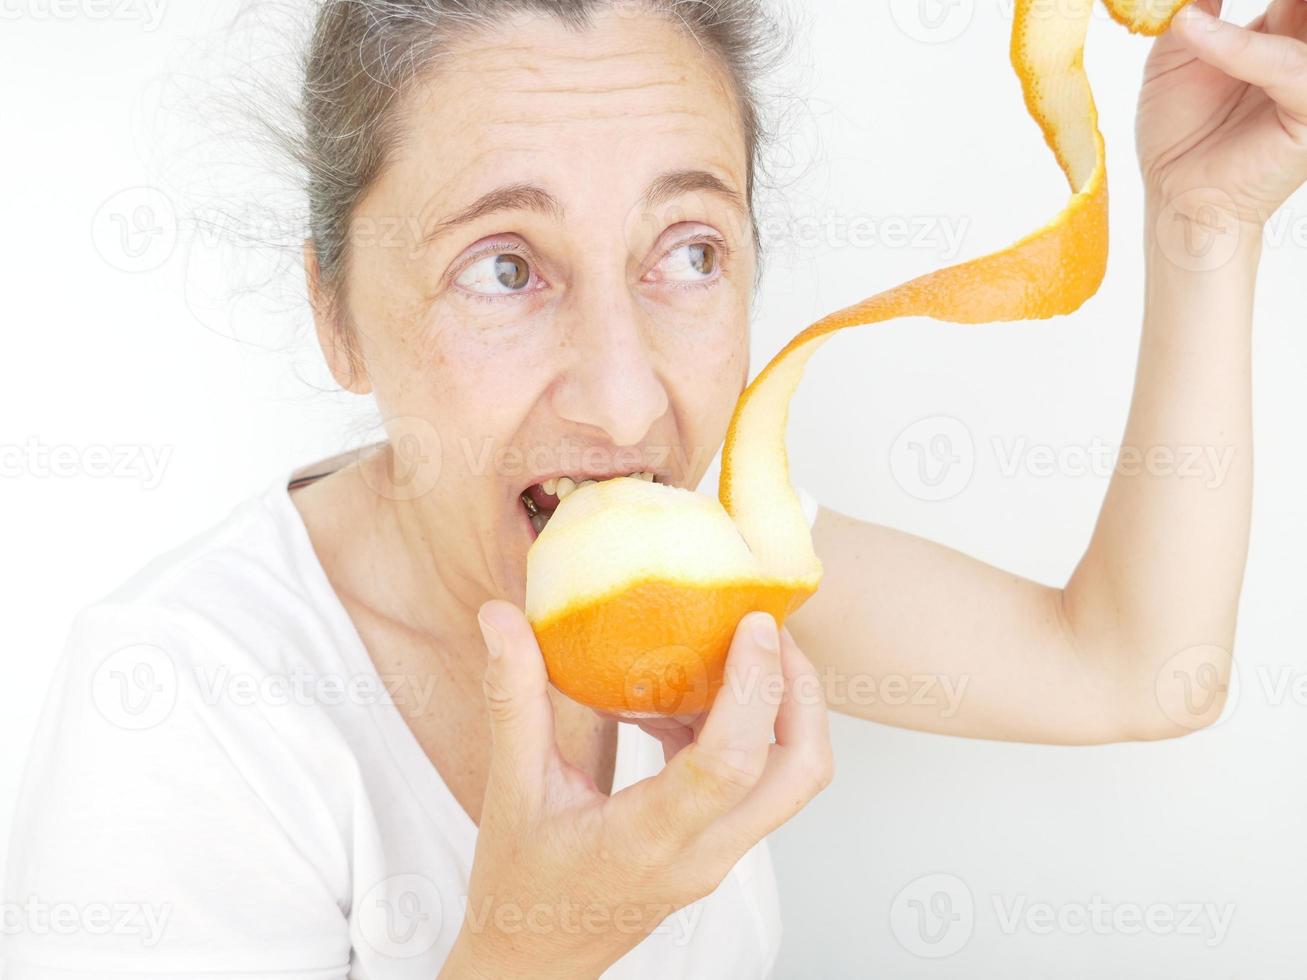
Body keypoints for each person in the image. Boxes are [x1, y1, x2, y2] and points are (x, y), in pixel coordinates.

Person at [6, 0, 1305, 976]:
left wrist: (1206, 225)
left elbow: (1143, 669)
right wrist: (528, 951)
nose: (627, 404)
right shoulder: (180, 711)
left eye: (688, 250)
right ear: (336, 313)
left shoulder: (724, 560)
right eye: (505, 267)